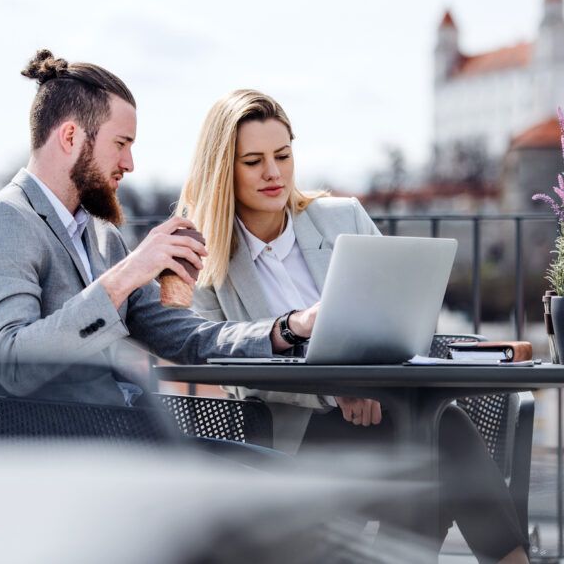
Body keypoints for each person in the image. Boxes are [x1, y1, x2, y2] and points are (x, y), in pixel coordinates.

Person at [176, 89, 529, 564]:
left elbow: (405, 317)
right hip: (295, 443)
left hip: (384, 412)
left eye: (282, 155)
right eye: (253, 161)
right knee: (435, 433)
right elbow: (229, 367)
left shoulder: (341, 218)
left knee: (424, 441)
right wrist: (335, 392)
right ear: (224, 170)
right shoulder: (205, 260)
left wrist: (373, 385)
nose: (273, 173)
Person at [0, 51, 318, 408]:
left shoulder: (99, 235)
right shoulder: (0, 222)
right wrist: (128, 274)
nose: (130, 163)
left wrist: (289, 328)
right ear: (70, 136)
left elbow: (185, 337)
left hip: (124, 438)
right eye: (121, 144)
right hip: (57, 457)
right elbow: (15, 365)